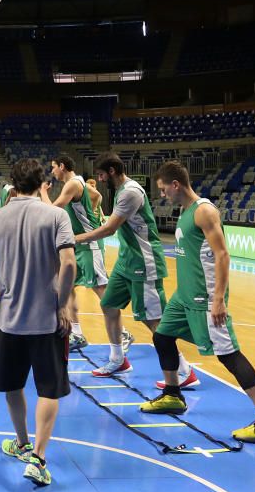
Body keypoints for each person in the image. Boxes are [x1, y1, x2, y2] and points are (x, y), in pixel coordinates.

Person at [142, 161, 255, 443]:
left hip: (204, 298)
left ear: (176, 185)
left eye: (163, 190)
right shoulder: (184, 211)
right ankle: (173, 395)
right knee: (162, 337)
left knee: (228, 354)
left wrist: (218, 299)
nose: (162, 195)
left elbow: (223, 255)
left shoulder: (204, 211)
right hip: (183, 298)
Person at [0, 158, 76, 487]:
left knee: (13, 386)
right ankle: (39, 458)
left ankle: (22, 443)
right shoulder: (57, 215)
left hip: (9, 321)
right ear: (42, 183)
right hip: (47, 321)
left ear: (13, 184)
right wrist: (62, 305)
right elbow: (70, 264)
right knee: (49, 389)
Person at [76, 152, 197, 386]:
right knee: (108, 304)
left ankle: (184, 370)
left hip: (144, 262)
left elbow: (110, 229)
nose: (99, 180)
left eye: (101, 174)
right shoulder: (122, 191)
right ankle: (118, 359)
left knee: (154, 321)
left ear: (112, 171)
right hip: (127, 261)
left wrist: (76, 238)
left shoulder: (130, 192)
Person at [40, 156, 132, 353]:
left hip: (89, 245)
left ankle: (123, 332)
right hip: (77, 244)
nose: (53, 171)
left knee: (101, 290)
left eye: (54, 167)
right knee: (68, 286)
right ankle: (76, 333)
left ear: (62, 166)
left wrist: (42, 193)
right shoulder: (79, 182)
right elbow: (96, 196)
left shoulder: (73, 183)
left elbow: (53, 210)